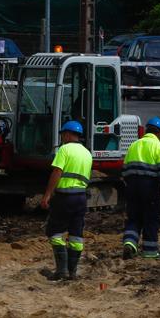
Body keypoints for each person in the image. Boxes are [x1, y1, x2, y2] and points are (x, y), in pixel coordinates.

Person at [40, 120, 93, 281]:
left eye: (63, 134)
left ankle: (61, 270)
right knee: (76, 236)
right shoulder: (87, 153)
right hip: (81, 198)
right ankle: (72, 272)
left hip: (65, 197)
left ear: (69, 134)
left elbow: (57, 171)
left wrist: (47, 195)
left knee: (55, 233)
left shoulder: (64, 150)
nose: (62, 137)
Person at [122, 117, 160, 259]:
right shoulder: (159, 147)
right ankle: (150, 251)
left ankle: (130, 242)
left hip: (132, 187)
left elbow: (125, 171)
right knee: (151, 218)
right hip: (150, 188)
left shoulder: (134, 145)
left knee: (133, 218)